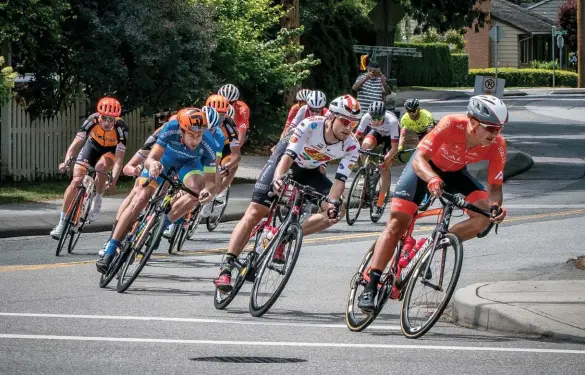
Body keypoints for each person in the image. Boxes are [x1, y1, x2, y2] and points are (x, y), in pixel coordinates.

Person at [357, 95, 510, 312]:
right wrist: (432, 179)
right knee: (397, 224)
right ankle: (371, 285)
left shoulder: (498, 145)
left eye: (500, 129)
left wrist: (495, 207)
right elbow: (419, 158)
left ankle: (431, 247)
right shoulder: (450, 124)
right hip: (423, 168)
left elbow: (495, 187)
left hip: (455, 173)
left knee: (483, 217)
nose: (496, 135)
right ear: (474, 122)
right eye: (491, 128)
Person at [213, 94, 362, 292]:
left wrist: (333, 202)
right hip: (285, 161)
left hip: (310, 171)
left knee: (337, 211)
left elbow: (339, 182)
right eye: (345, 121)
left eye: (354, 123)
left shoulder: (352, 146)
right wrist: (278, 179)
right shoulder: (311, 125)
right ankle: (227, 267)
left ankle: (287, 236)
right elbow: (287, 158)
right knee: (256, 210)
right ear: (331, 117)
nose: (349, 128)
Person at [96, 107, 219, 273]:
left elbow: (211, 183)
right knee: (141, 196)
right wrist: (152, 164)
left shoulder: (209, 144)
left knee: (196, 190)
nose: (195, 141)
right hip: (164, 160)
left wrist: (208, 191)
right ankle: (111, 248)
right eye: (191, 135)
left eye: (199, 135)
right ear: (181, 130)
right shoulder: (170, 128)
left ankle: (162, 225)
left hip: (188, 165)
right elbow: (151, 158)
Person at [50, 97, 127, 239]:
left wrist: (114, 179)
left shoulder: (121, 128)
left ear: (116, 119)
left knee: (100, 167)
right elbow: (76, 143)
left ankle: (98, 199)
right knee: (76, 181)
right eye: (105, 118)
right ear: (99, 116)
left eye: (111, 119)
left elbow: (120, 158)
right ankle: (61, 224)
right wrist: (66, 162)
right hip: (92, 146)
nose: (108, 123)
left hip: (110, 151)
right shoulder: (92, 120)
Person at [354, 101, 400, 220]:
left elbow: (395, 148)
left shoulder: (392, 121)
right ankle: (366, 170)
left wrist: (387, 158)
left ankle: (379, 204)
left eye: (379, 118)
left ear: (384, 115)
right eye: (373, 118)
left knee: (384, 168)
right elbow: (356, 137)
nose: (375, 121)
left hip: (391, 138)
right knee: (364, 147)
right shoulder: (366, 117)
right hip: (377, 133)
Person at [204, 94, 241, 207]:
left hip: (225, 146)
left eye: (221, 116)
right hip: (206, 144)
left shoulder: (229, 124)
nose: (217, 119)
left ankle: (219, 194)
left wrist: (225, 167)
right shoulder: (201, 118)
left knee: (232, 165)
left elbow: (236, 155)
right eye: (214, 114)